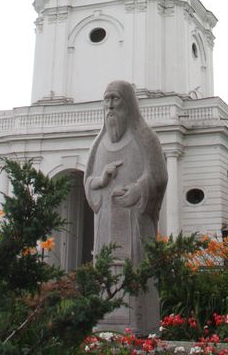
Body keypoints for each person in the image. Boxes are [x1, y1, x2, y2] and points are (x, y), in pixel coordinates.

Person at [84, 80, 167, 333]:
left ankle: (138, 326)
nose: (110, 105)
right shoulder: (98, 143)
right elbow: (88, 181)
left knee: (136, 270)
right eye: (106, 99)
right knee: (105, 267)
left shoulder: (145, 137)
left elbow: (159, 175)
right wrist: (101, 180)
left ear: (128, 102)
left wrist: (138, 190)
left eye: (115, 98)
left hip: (135, 223)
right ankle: (104, 324)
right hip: (106, 225)